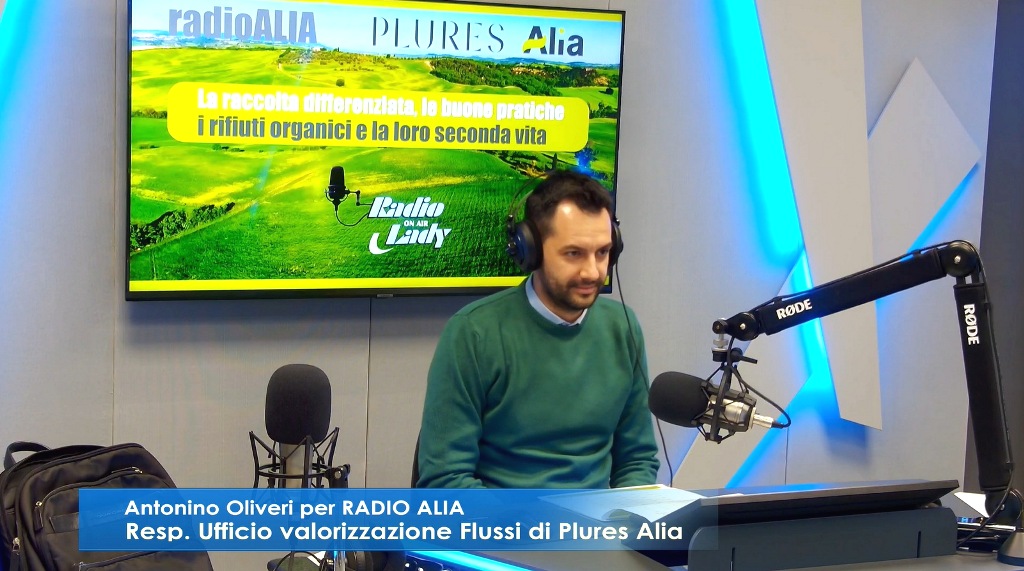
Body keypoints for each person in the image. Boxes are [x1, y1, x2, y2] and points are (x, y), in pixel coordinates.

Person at [416, 170, 660, 489]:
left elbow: (637, 460)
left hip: (598, 520)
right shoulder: (473, 333)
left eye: (602, 252)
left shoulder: (623, 327)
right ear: (530, 249)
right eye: (573, 253)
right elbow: (445, 480)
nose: (593, 272)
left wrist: (627, 514)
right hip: (505, 520)